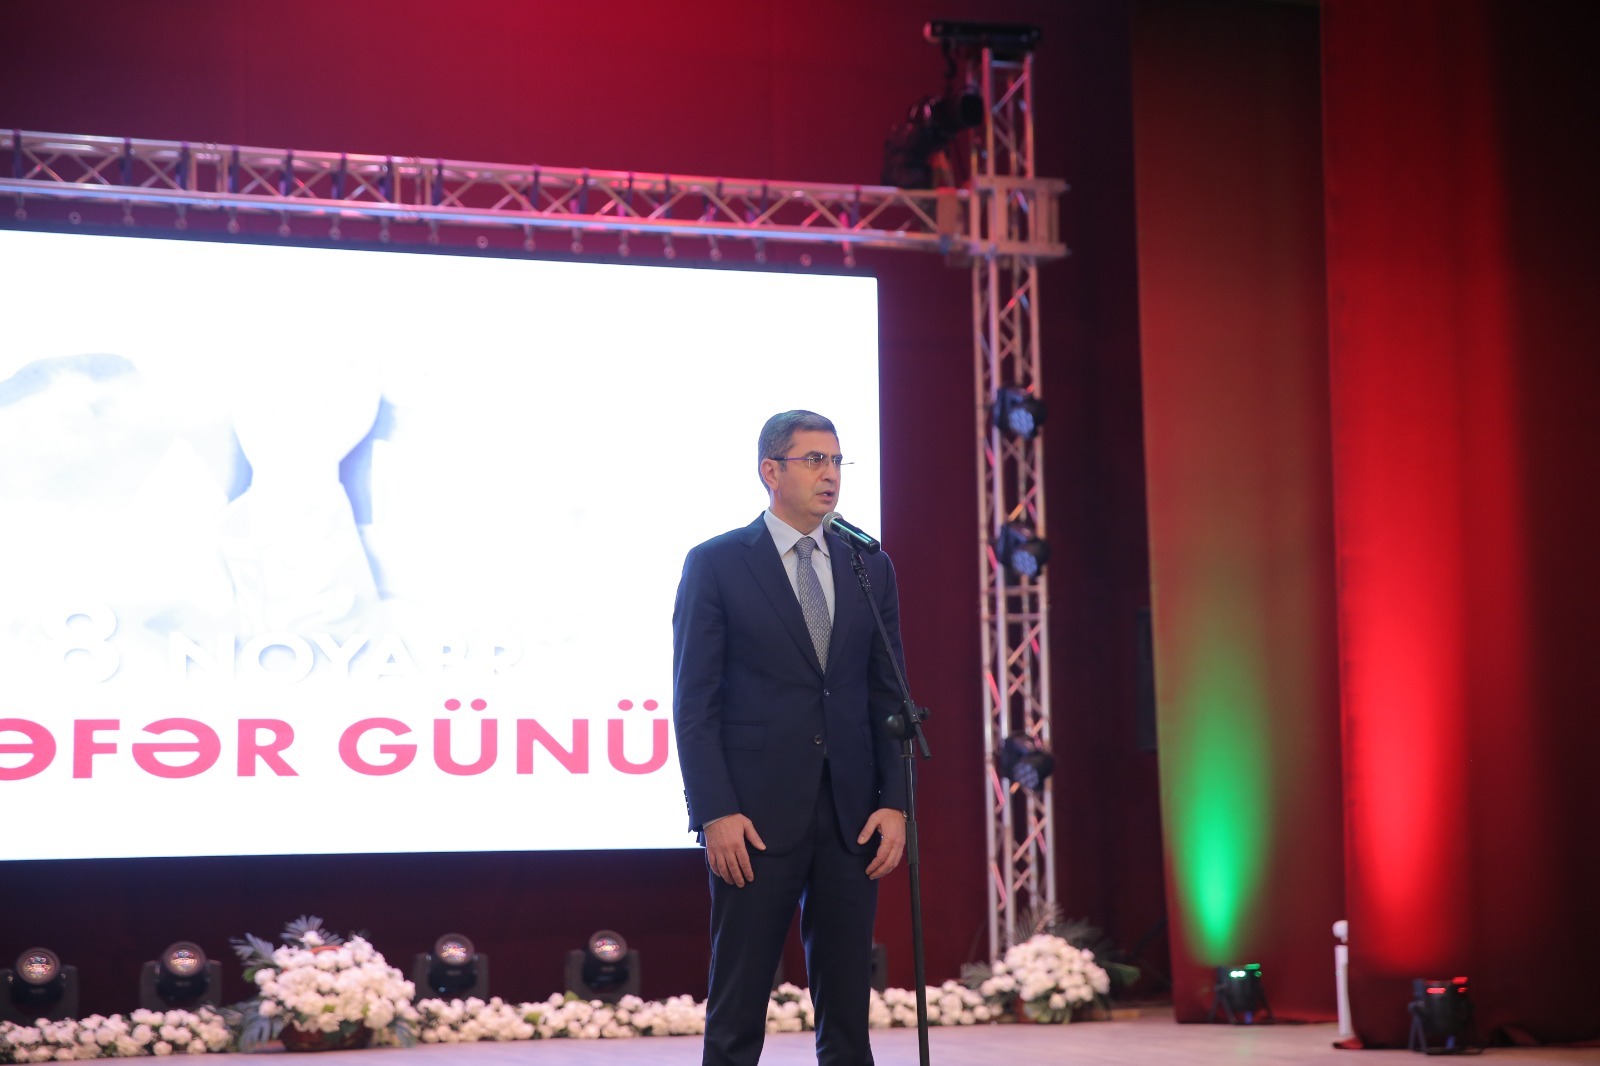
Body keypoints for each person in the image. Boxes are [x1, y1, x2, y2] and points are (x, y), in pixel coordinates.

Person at [673, 409, 909, 1066]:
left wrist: (895, 802)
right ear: (770, 471)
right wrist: (715, 811)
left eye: (835, 461)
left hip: (851, 816)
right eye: (813, 460)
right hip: (753, 817)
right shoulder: (718, 563)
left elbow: (888, 695)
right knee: (739, 1002)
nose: (829, 474)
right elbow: (695, 704)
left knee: (848, 1010)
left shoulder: (867, 565)